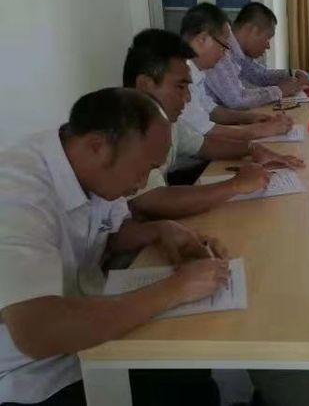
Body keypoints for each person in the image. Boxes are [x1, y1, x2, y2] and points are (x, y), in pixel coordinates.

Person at [0, 88, 230, 406]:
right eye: (144, 168)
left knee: (191, 371)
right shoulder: (16, 194)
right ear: (97, 146)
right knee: (178, 384)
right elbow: (38, 332)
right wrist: (175, 289)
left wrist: (159, 231)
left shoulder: (91, 168)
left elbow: (110, 233)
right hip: (32, 373)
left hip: (90, 329)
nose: (143, 183)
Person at [123, 29, 303, 220]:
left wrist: (252, 149)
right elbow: (152, 201)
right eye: (180, 87)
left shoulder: (166, 123)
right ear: (145, 85)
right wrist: (235, 185)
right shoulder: (126, 130)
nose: (187, 97)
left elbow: (204, 145)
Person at [177, 3, 294, 140]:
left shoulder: (197, 72)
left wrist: (248, 118)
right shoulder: (180, 78)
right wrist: (258, 130)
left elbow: (212, 110)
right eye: (223, 46)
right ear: (202, 40)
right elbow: (206, 131)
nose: (225, 53)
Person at [205, 2, 309, 110]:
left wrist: (293, 73)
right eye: (267, 38)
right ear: (253, 31)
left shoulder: (237, 52)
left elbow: (260, 75)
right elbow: (237, 100)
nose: (268, 46)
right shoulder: (220, 51)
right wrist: (280, 90)